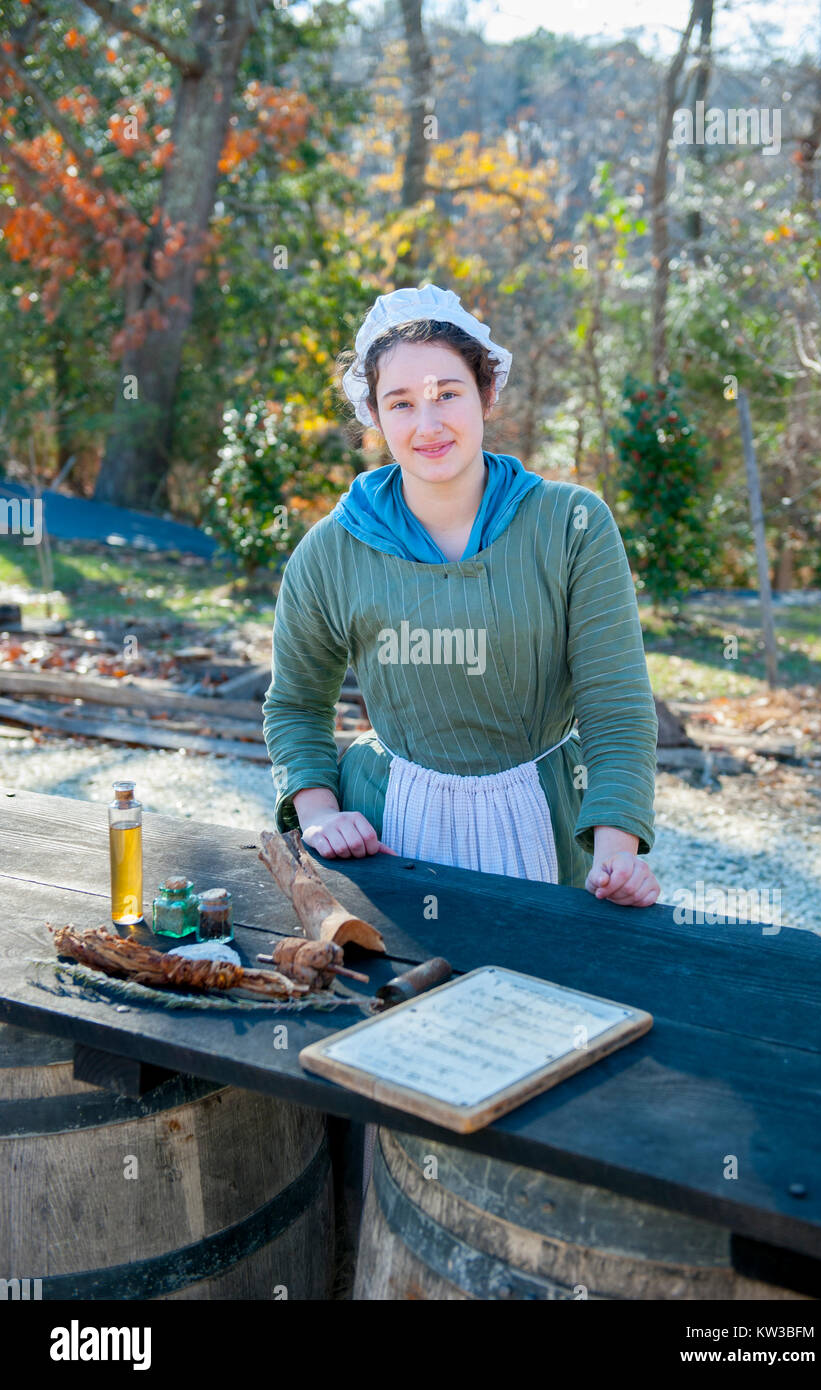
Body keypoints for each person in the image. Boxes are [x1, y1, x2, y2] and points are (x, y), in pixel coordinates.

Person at [262, 283, 660, 1194]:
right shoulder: (331, 551)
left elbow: (613, 699)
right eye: (399, 400)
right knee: (392, 1062)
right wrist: (319, 813)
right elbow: (295, 706)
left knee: (537, 1072)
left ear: (487, 393)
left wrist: (617, 847)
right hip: (395, 835)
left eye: (446, 391)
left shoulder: (569, 523)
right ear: (374, 415)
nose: (426, 420)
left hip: (539, 822)